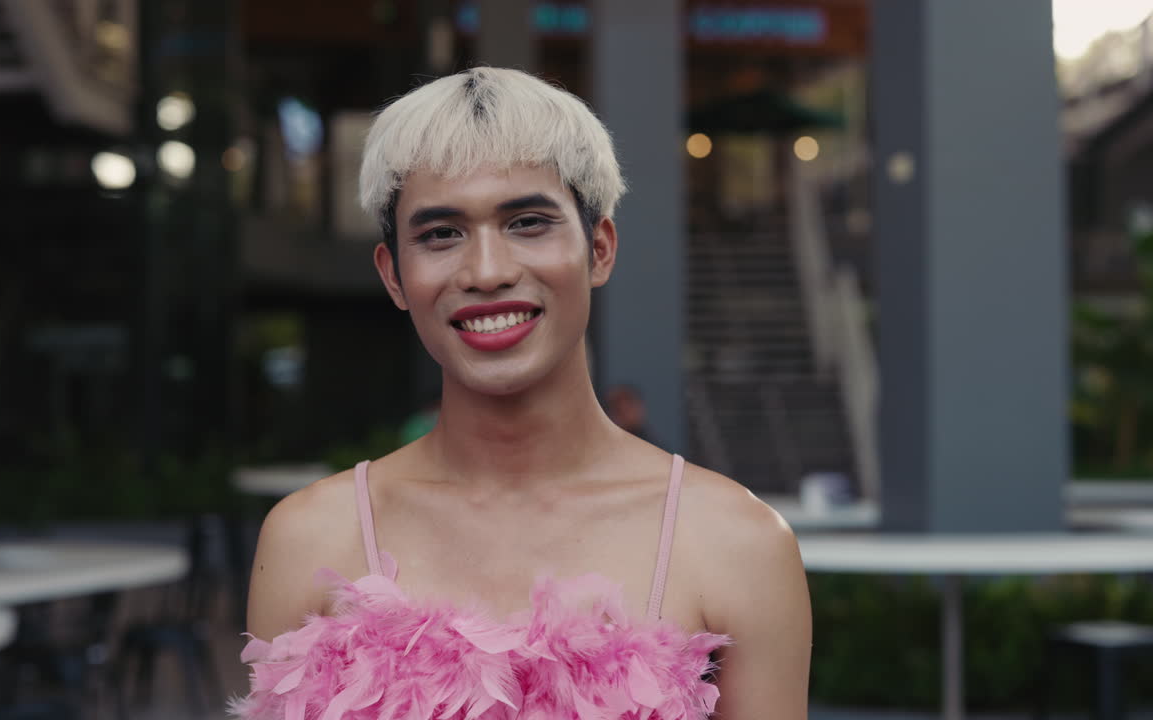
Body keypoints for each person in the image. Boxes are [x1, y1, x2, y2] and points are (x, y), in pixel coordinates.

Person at [234, 67, 810, 719]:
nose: (488, 271)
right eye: (440, 234)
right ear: (394, 275)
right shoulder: (310, 539)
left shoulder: (736, 542)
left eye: (529, 222)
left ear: (599, 248)